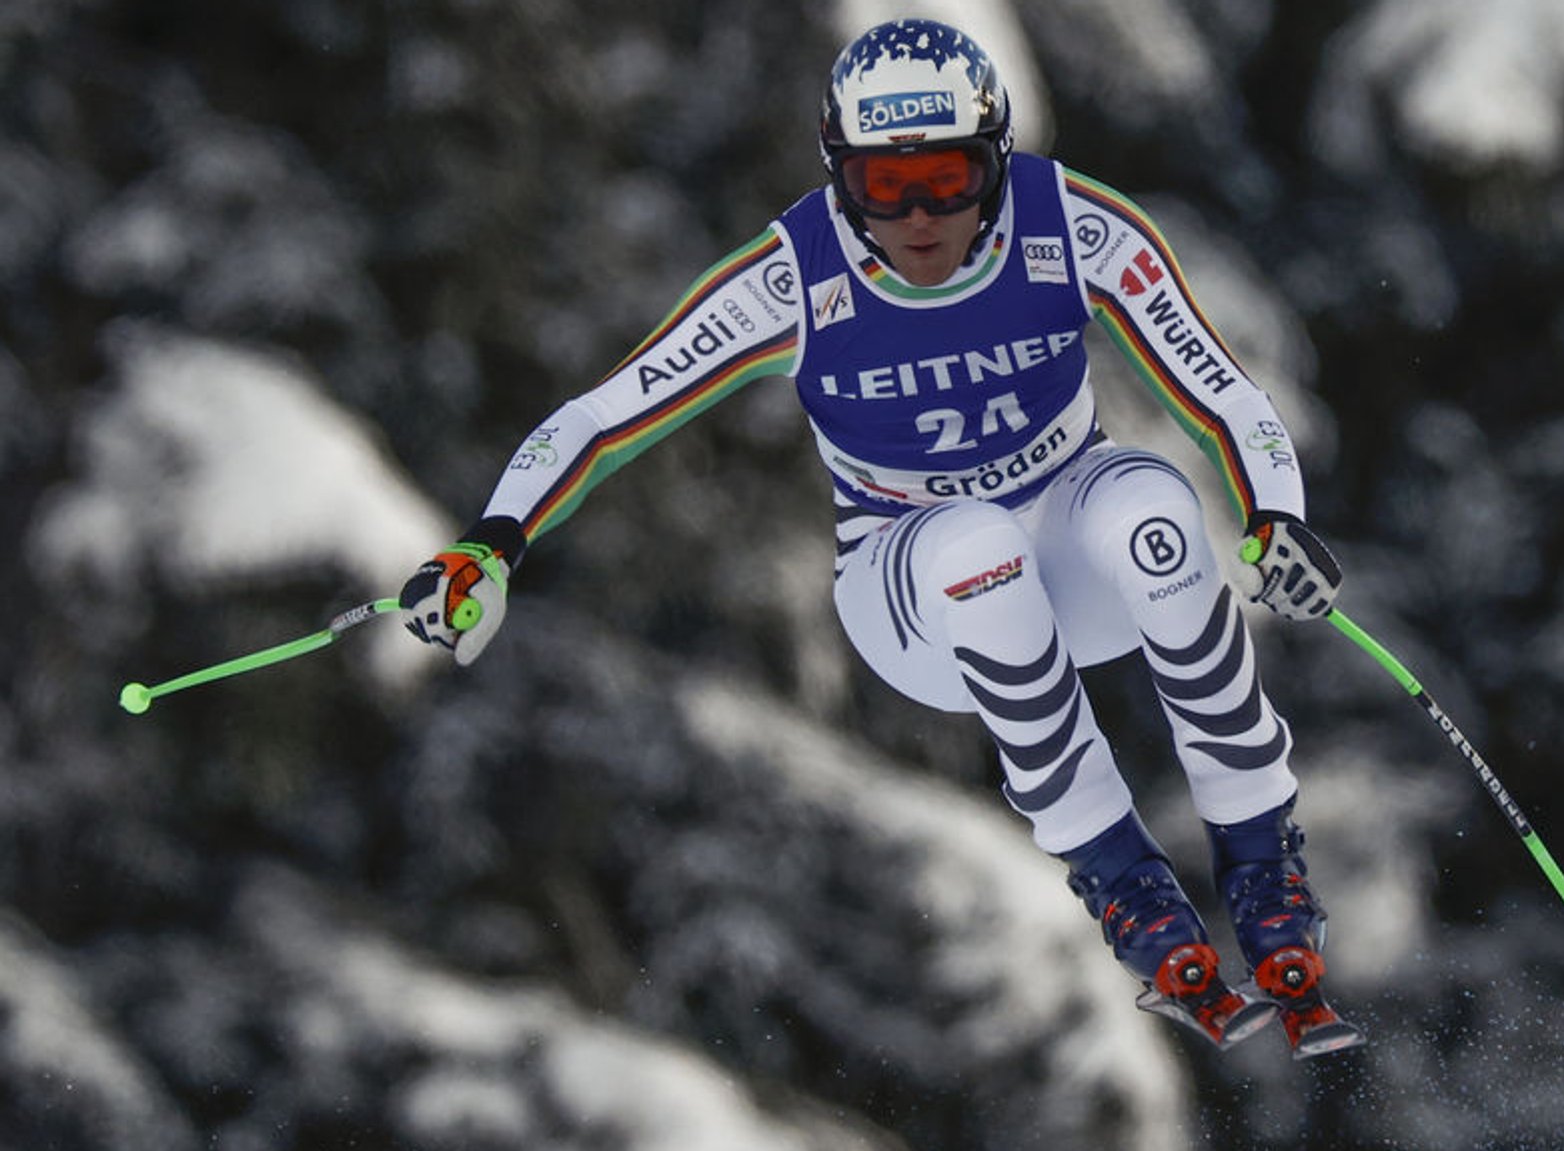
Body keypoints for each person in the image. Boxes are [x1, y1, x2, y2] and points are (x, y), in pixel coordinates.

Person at [399, 18, 1355, 1057]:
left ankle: (1264, 867)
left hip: (1076, 540)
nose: (915, 216)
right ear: (836, 175)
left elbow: (1218, 389)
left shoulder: (1072, 226)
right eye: (880, 184)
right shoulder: (791, 277)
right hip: (914, 587)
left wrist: (1275, 517)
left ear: (995, 159)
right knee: (973, 546)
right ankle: (1125, 888)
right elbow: (605, 414)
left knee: (1152, 506)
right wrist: (490, 543)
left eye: (946, 177)